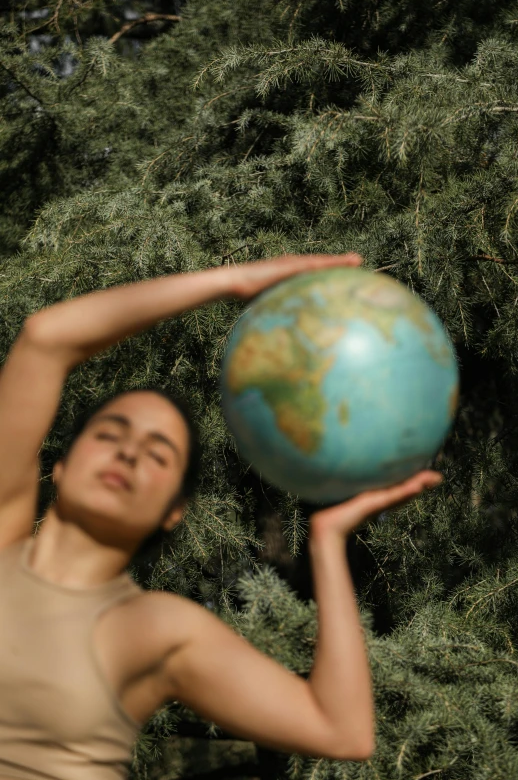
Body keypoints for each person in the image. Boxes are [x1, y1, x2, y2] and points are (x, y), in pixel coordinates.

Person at [0, 253, 443, 780]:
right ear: (61, 468)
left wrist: (326, 541)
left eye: (159, 454)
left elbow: (340, 729)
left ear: (174, 511)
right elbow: (45, 337)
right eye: (110, 433)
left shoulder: (158, 629)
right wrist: (230, 281)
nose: (130, 453)